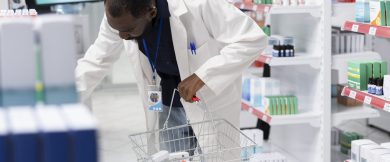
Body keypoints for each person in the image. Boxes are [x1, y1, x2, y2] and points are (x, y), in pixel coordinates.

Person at [75, 0, 267, 158]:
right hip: (168, 101)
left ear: (151, 11)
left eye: (129, 30)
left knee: (216, 155)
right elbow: (96, 60)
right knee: (174, 156)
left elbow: (253, 39)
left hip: (208, 99)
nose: (122, 36)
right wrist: (62, 97)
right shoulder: (119, 16)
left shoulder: (199, 4)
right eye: (117, 30)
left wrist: (203, 75)